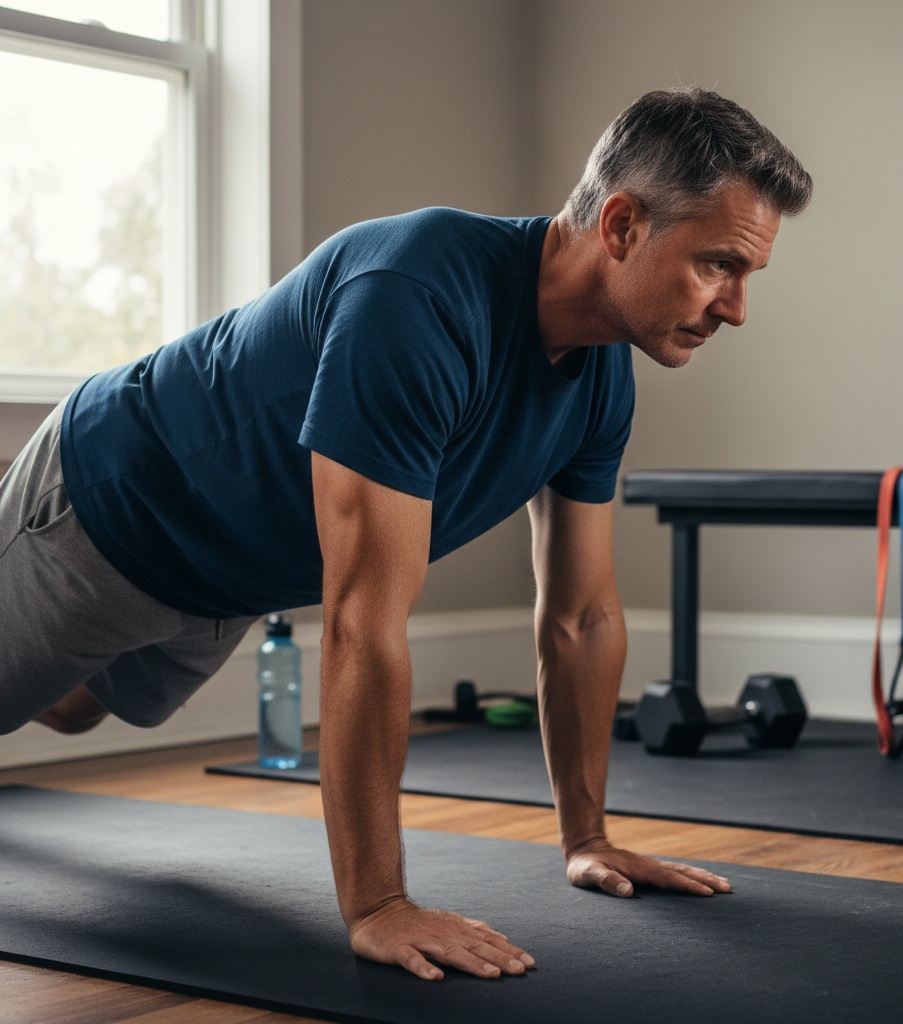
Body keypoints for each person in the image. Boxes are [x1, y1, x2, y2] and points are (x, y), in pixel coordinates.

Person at [0, 86, 812, 981]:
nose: (734, 307)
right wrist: (379, 904)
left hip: (226, 580)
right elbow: (363, 624)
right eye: (718, 266)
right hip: (108, 506)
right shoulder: (418, 296)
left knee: (76, 709)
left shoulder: (602, 380)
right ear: (620, 226)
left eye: (746, 276)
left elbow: (580, 615)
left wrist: (588, 839)